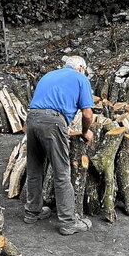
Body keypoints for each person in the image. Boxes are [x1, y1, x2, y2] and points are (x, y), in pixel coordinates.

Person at [24, 55, 94, 235]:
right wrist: (86, 131)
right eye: (84, 70)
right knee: (62, 173)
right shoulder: (80, 78)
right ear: (80, 68)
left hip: (32, 119)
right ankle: (68, 223)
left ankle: (32, 213)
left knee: (34, 169)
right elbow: (87, 114)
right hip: (53, 122)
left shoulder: (49, 75)